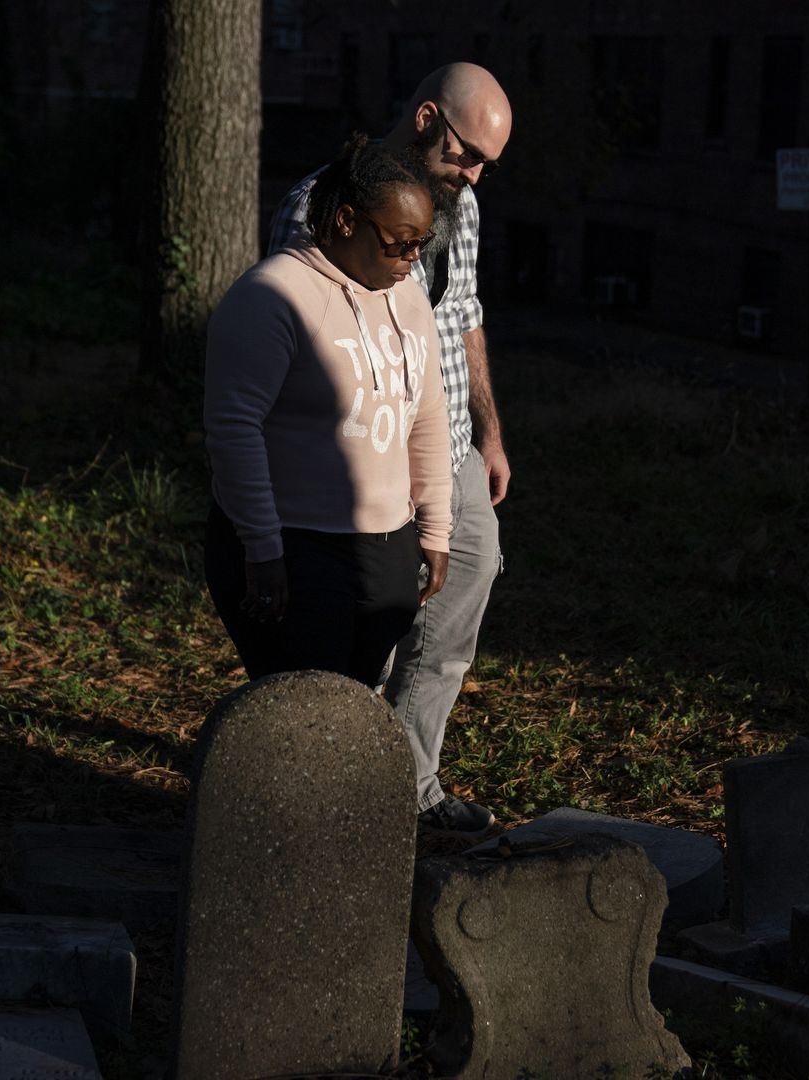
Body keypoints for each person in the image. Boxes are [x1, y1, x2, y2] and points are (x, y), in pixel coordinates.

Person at [269, 62, 512, 839]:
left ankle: (410, 787)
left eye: (486, 166)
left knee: (460, 599)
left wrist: (491, 433)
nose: (475, 175)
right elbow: (298, 336)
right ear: (426, 117)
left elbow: (465, 313)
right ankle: (333, 784)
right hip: (366, 454)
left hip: (454, 450)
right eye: (468, 153)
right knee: (366, 624)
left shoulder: (461, 204)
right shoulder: (319, 207)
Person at [203, 137, 451, 688]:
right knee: (301, 711)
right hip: (296, 545)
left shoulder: (407, 295)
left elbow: (428, 412)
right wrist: (263, 549)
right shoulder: (272, 297)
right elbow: (233, 430)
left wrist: (434, 528)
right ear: (344, 220)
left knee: (353, 704)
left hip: (386, 545)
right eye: (400, 243)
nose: (412, 260)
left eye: (421, 244)